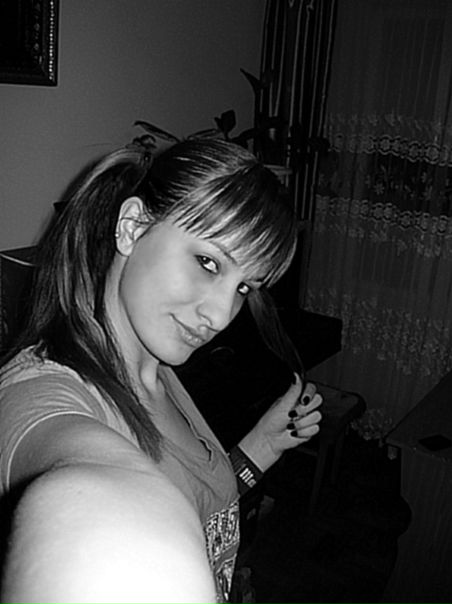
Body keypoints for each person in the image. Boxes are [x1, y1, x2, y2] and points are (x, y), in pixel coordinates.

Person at [0, 138, 322, 603]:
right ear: (132, 227)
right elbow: (93, 499)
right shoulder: (38, 393)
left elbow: (199, 508)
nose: (220, 315)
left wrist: (261, 447)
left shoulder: (157, 367)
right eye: (208, 262)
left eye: (244, 287)